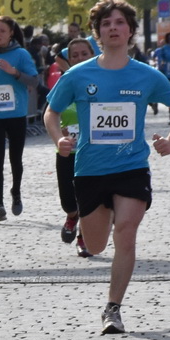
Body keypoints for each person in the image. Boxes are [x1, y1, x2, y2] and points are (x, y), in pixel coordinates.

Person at [42, 0, 170, 336]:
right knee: (95, 246)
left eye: (120, 23)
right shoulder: (79, 75)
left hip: (132, 166)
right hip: (90, 169)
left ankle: (113, 308)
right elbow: (51, 112)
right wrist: (57, 140)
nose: (113, 28)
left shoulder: (146, 75)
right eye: (106, 24)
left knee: (126, 231)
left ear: (131, 31)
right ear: (97, 32)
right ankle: (88, 225)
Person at [0, 16, 38, 220]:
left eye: (2, 30)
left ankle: (16, 192)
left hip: (16, 114)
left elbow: (34, 80)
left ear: (11, 33)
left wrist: (14, 72)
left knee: (15, 158)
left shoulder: (21, 54)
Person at [52, 37, 92, 255]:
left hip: (93, 152)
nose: (79, 59)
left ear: (92, 55)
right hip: (67, 150)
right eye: (74, 55)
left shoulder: (100, 81)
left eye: (84, 54)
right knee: (68, 200)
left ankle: (83, 238)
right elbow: (50, 113)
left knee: (87, 197)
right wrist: (60, 134)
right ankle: (71, 215)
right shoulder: (64, 82)